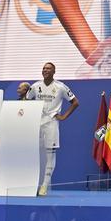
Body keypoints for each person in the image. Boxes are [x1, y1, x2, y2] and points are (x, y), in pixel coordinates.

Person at [27, 62, 78, 196]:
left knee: (50, 154)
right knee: (35, 154)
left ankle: (44, 185)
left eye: (48, 68)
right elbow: (25, 100)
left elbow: (75, 102)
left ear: (54, 71)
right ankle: (33, 184)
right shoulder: (35, 86)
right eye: (43, 68)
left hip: (51, 123)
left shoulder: (60, 87)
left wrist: (63, 116)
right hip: (36, 123)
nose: (45, 70)